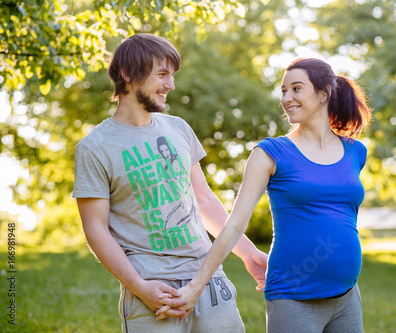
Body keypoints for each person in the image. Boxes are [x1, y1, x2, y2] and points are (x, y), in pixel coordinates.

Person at [158, 57, 372, 332]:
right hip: (294, 298)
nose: (286, 98)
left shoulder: (355, 151)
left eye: (296, 89)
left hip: (347, 296)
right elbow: (234, 224)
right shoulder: (270, 153)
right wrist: (194, 288)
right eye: (283, 91)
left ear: (324, 94)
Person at [72, 33, 267, 333]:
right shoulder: (94, 147)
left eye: (172, 75)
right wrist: (138, 286)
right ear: (127, 74)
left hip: (209, 281)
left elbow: (203, 200)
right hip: (151, 290)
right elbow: (95, 228)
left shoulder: (178, 129)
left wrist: (247, 253)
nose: (171, 85)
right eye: (162, 74)